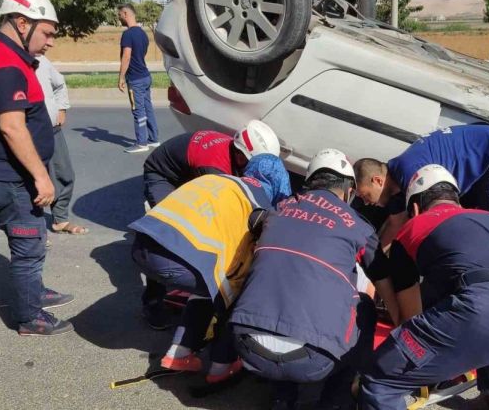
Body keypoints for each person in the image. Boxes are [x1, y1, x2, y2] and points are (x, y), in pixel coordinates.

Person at [358, 165, 489, 410]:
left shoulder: (413, 229)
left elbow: (410, 320)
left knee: (381, 379)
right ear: (457, 202)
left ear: (415, 208)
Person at [229, 149, 380, 410]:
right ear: (348, 191)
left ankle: (282, 399)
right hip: (312, 362)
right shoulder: (358, 225)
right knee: (365, 306)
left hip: (247, 348)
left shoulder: (275, 212)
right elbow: (385, 279)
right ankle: (334, 403)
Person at [131, 154, 292, 383]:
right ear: (278, 183)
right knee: (236, 293)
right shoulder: (260, 205)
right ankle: (221, 365)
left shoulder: (220, 180)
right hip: (176, 260)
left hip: (142, 244)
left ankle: (179, 353)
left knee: (209, 283)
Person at [0, 0, 73, 336]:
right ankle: (29, 316)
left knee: (30, 242)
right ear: (22, 23)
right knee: (29, 245)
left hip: (9, 173)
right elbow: (12, 128)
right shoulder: (4, 63)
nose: (51, 41)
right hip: (11, 176)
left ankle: (33, 291)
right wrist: (41, 177)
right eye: (47, 33)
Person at [140, 120, 281, 329]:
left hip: (188, 171)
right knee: (168, 234)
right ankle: (152, 303)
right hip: (164, 176)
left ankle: (192, 283)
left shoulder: (234, 155)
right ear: (241, 155)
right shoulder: (215, 167)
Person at [354, 124, 489, 247]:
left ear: (377, 180)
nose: (367, 203)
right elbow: (395, 223)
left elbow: (435, 221)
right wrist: (374, 269)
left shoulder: (411, 172)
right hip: (487, 157)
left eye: (366, 196)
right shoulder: (397, 179)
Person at [35, 55, 88, 236]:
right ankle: (32, 229)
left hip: (51, 129)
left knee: (63, 173)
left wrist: (61, 108)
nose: (50, 43)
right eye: (46, 34)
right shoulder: (8, 58)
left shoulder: (41, 60)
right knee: (28, 180)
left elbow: (59, 84)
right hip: (24, 133)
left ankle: (60, 220)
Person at [117, 3, 158, 153]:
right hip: (146, 76)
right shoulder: (143, 33)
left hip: (135, 79)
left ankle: (141, 143)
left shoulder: (127, 34)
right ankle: (154, 139)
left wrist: (121, 77)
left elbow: (126, 57)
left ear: (126, 14)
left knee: (138, 110)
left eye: (119, 15)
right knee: (148, 108)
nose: (119, 18)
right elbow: (142, 53)